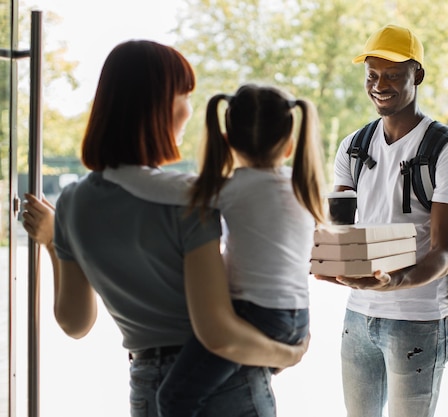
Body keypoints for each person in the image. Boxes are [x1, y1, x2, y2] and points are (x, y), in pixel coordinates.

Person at [20, 40, 310, 417]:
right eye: (184, 95)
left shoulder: (73, 203)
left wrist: (52, 241)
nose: (190, 110)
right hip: (222, 385)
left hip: (144, 385)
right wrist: (288, 353)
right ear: (159, 107)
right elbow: (217, 328)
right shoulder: (187, 201)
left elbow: (75, 323)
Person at [102, 82, 326, 416]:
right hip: (296, 320)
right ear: (290, 145)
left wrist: (113, 169)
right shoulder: (302, 187)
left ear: (226, 140)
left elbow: (162, 186)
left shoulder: (231, 189)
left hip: (255, 315)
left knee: (173, 397)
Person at [314, 24, 448, 417]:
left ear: (416, 75)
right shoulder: (353, 146)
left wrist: (395, 281)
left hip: (417, 321)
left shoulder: (446, 151)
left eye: (392, 75)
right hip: (358, 317)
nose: (378, 85)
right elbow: (342, 230)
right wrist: (327, 259)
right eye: (372, 75)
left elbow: (444, 252)